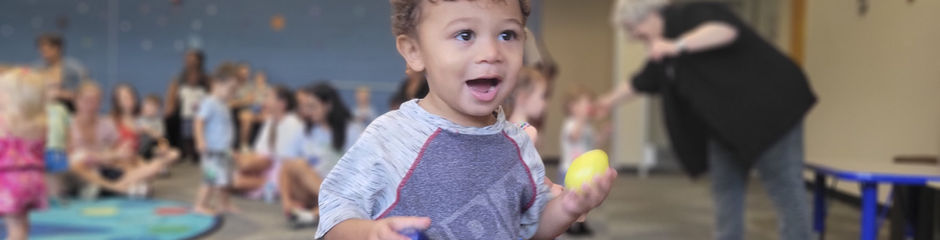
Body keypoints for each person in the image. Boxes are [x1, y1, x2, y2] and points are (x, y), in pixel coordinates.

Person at [315, 0, 617, 239]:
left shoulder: (519, 144)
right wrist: (368, 234)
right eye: (465, 35)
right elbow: (335, 215)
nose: (491, 52)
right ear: (414, 51)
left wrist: (567, 208)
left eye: (507, 35)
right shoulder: (390, 137)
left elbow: (530, 228)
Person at [603, 1, 817, 239]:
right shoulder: (663, 51)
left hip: (770, 114)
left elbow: (726, 30)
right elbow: (638, 83)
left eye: (634, 28)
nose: (634, 36)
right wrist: (604, 103)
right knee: (726, 193)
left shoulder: (689, 15)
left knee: (784, 189)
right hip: (724, 127)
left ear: (650, 15)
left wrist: (677, 46)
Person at [69, 81, 176, 198]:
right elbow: (71, 157)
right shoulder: (112, 119)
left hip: (114, 164)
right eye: (124, 98)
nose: (91, 105)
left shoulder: (144, 121)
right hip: (84, 168)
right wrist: (110, 156)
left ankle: (113, 187)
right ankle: (114, 187)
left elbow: (160, 138)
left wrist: (163, 146)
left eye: (96, 101)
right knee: (79, 158)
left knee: (166, 160)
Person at [279, 82, 362, 227]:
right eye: (307, 106)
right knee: (295, 164)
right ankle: (330, 208)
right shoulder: (305, 130)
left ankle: (320, 211)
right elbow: (286, 166)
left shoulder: (351, 130)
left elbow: (360, 169)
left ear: (328, 105)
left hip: (342, 189)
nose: (309, 111)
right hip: (311, 192)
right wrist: (286, 201)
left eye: (313, 106)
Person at [231, 85, 303, 203]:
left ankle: (265, 184)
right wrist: (246, 160)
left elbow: (282, 157)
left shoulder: (293, 123)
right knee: (226, 180)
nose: (265, 101)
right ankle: (256, 180)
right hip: (265, 165)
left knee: (233, 181)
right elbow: (260, 150)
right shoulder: (270, 120)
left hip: (280, 171)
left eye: (269, 97)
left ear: (282, 103)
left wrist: (251, 163)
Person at [0, 68, 48, 240]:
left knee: (14, 228)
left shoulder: (4, 121)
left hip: (9, 179)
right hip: (33, 179)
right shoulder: (41, 123)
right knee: (21, 226)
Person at [559, 86, 613, 235]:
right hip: (569, 170)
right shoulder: (570, 124)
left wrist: (604, 133)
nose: (588, 107)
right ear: (572, 107)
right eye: (585, 103)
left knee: (584, 199)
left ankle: (582, 223)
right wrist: (582, 119)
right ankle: (569, 225)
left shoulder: (588, 127)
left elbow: (594, 143)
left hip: (585, 172)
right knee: (570, 200)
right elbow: (574, 136)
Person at [193, 64, 241, 216]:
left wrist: (230, 148)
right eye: (230, 89)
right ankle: (200, 205)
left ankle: (224, 203)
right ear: (217, 83)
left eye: (235, 90)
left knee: (225, 179)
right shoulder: (210, 102)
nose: (233, 93)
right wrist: (200, 141)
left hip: (224, 149)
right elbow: (199, 122)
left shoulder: (224, 104)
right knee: (211, 179)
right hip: (212, 150)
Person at [165, 50, 209, 164]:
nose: (191, 62)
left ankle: (197, 153)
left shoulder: (206, 79)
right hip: (183, 112)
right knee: (171, 121)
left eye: (193, 59)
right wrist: (170, 108)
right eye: (188, 59)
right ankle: (178, 152)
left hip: (202, 113)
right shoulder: (178, 79)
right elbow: (172, 98)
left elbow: (211, 97)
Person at [32, 33, 88, 112]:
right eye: (42, 51)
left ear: (58, 48)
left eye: (47, 50)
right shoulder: (36, 68)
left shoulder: (75, 69)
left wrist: (61, 94)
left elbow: (86, 93)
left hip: (69, 110)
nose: (44, 54)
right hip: (44, 111)